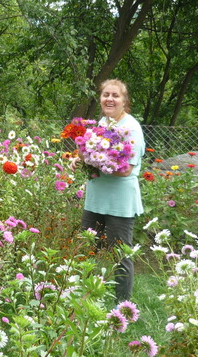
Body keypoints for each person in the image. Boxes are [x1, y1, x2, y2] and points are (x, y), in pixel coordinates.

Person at [71, 78, 145, 303]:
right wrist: (79, 158)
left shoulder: (131, 128)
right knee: (86, 248)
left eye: (115, 96)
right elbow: (91, 156)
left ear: (125, 101)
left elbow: (125, 171)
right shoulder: (103, 123)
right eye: (106, 95)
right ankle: (83, 299)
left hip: (119, 202)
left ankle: (122, 307)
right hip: (96, 198)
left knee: (120, 254)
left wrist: (93, 163)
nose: (109, 99)